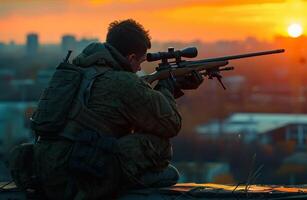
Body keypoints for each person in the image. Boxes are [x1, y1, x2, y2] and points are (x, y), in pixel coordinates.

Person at [15, 19, 203, 199]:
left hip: (47, 169)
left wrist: (171, 87)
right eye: (139, 62)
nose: (138, 69)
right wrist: (167, 88)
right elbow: (171, 125)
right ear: (130, 58)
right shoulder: (122, 82)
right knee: (167, 168)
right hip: (74, 180)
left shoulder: (77, 70)